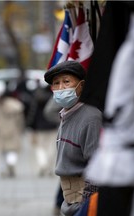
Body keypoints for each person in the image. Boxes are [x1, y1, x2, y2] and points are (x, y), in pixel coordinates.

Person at [44, 61, 102, 216]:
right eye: (56, 83)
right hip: (69, 202)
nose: (61, 87)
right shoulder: (66, 114)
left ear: (81, 85)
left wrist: (87, 207)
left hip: (83, 203)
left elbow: (95, 166)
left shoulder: (90, 117)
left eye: (66, 81)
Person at [0, 90, 25, 178]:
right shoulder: (16, 106)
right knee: (12, 150)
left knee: (1, 151)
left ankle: (3, 169)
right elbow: (20, 120)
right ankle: (11, 162)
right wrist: (21, 128)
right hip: (13, 130)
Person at [27, 81, 58, 177]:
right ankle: (49, 167)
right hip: (52, 125)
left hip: (40, 127)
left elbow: (33, 114)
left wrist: (32, 126)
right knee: (51, 147)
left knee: (40, 147)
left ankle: (42, 164)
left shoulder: (37, 99)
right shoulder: (54, 99)